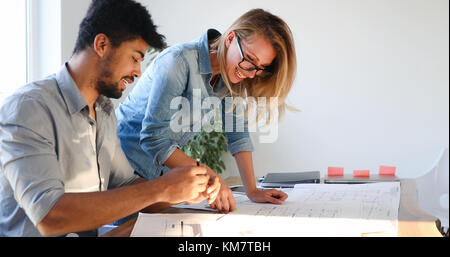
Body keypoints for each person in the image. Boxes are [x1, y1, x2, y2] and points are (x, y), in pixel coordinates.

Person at [0, 0, 219, 237]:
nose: (138, 72)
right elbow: (50, 216)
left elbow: (126, 184)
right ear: (102, 44)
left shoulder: (104, 112)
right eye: (135, 58)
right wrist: (161, 188)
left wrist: (184, 193)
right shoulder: (28, 109)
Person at [116, 9, 297, 213]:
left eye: (261, 68)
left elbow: (238, 135)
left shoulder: (231, 77)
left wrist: (252, 190)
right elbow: (153, 138)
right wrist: (213, 177)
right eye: (250, 59)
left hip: (154, 176)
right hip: (120, 169)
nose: (251, 73)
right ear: (230, 38)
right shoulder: (179, 61)